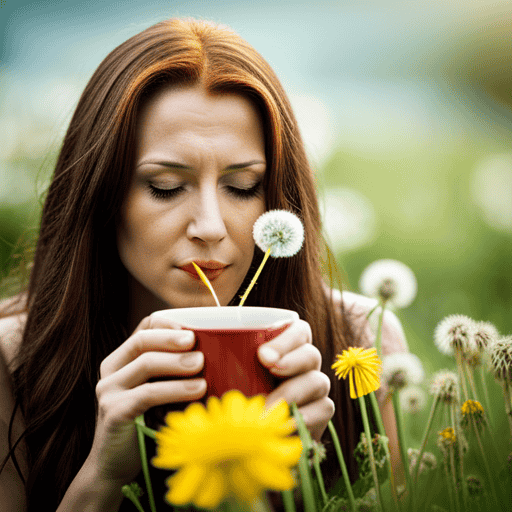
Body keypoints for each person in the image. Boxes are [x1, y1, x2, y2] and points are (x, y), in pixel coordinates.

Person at [0, 18, 408, 511]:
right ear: (100, 194)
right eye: (165, 187)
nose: (210, 226)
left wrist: (287, 486)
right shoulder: (13, 361)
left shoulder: (359, 341)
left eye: (243, 187)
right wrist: (102, 480)